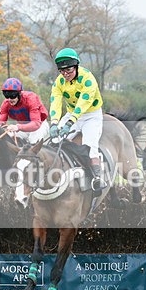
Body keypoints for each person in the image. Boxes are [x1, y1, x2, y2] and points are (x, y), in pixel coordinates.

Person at [49, 47, 106, 193]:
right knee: (54, 141)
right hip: (71, 114)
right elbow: (55, 102)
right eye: (62, 71)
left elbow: (83, 104)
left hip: (91, 115)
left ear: (76, 66)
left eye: (69, 71)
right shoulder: (59, 82)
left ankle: (97, 178)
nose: (65, 74)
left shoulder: (88, 79)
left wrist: (70, 122)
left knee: (89, 146)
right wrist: (54, 123)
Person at [0, 77, 49, 144]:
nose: (9, 99)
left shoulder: (31, 98)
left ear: (19, 93)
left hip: (39, 125)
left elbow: (36, 124)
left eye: (12, 95)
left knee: (33, 142)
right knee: (9, 139)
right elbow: (1, 123)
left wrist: (18, 127)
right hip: (23, 127)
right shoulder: (6, 103)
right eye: (6, 95)